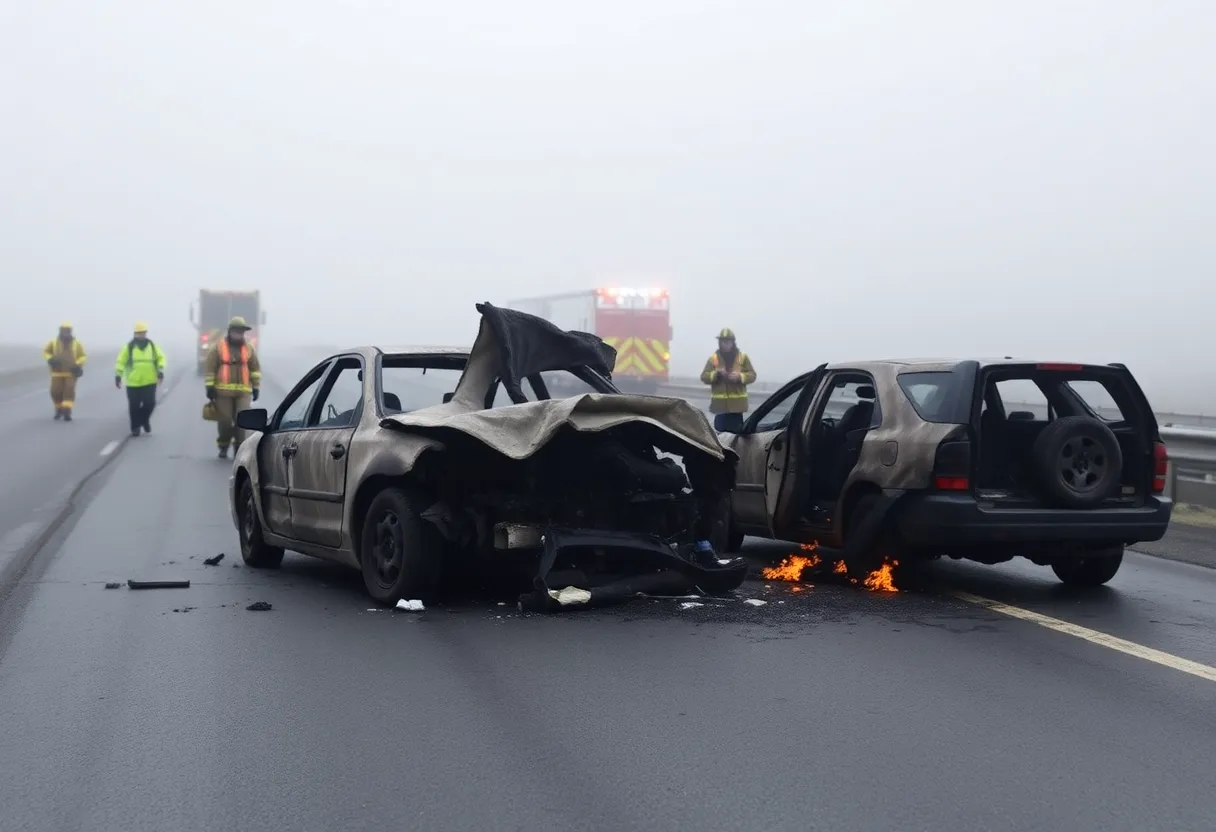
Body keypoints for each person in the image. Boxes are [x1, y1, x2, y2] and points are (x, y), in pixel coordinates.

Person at [204, 316, 262, 459]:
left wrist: (256, 387)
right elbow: (210, 367)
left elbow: (254, 368)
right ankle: (223, 446)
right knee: (224, 421)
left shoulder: (249, 348)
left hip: (243, 392)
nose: (239, 335)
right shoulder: (218, 347)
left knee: (241, 422)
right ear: (230, 332)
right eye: (237, 332)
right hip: (223, 392)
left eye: (242, 332)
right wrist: (210, 387)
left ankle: (239, 449)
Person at [699, 327, 756, 433]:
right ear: (720, 343)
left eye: (728, 341)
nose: (725, 344)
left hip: (736, 408)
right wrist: (716, 375)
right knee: (720, 440)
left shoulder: (742, 357)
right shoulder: (714, 358)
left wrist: (740, 376)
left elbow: (752, 375)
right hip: (720, 407)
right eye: (723, 341)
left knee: (736, 439)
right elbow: (704, 376)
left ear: (733, 342)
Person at [115, 322, 166, 436]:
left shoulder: (152, 346)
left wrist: (160, 371)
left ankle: (144, 420)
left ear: (146, 333)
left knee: (150, 404)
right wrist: (118, 375)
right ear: (135, 333)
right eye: (139, 333)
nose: (141, 335)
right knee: (134, 407)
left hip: (150, 381)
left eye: (143, 333)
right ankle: (135, 428)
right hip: (133, 383)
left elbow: (160, 358)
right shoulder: (129, 347)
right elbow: (121, 362)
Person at [43, 321, 87, 421]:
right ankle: (58, 409)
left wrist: (78, 364)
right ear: (60, 331)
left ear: (70, 331)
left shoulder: (77, 343)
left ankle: (67, 411)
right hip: (56, 372)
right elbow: (46, 351)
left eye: (67, 331)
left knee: (69, 391)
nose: (65, 333)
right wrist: (50, 359)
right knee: (55, 391)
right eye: (64, 330)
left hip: (71, 373)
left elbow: (83, 355)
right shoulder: (53, 342)